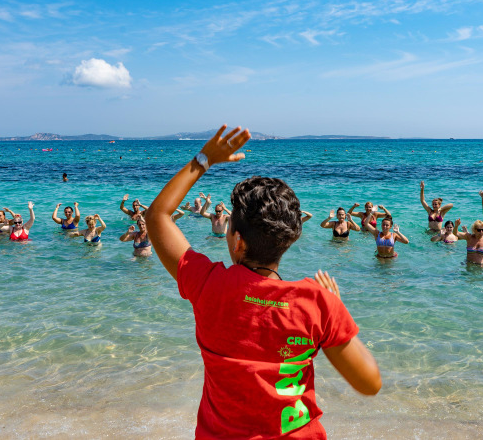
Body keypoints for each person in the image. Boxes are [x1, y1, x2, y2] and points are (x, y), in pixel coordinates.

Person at [144, 125, 381, 438]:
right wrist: (335, 309)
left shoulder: (208, 284)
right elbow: (369, 383)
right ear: (290, 238)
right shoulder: (317, 303)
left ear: (238, 241)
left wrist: (204, 160)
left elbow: (157, 216)